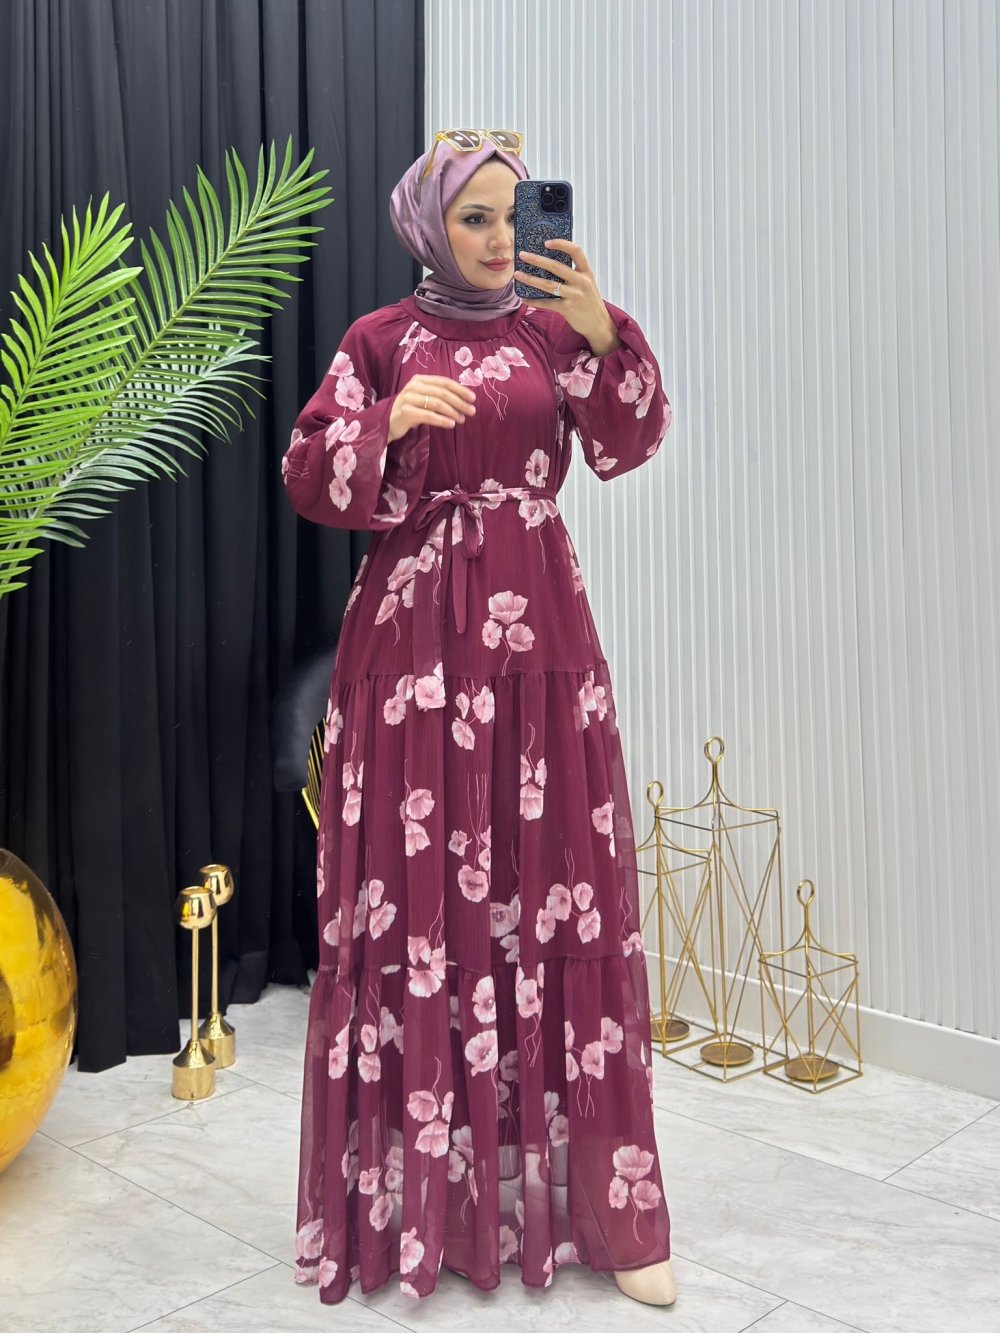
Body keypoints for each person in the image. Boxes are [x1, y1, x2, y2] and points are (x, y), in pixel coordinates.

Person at [284, 128, 677, 1309]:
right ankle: (423, 1207)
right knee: (421, 908)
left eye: (514, 214)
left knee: (558, 886)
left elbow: (627, 442)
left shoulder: (553, 331)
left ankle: (611, 1215)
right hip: (409, 655)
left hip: (540, 643)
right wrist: (389, 424)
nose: (503, 238)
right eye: (476, 218)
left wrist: (603, 333)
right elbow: (308, 472)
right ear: (428, 226)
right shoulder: (377, 341)